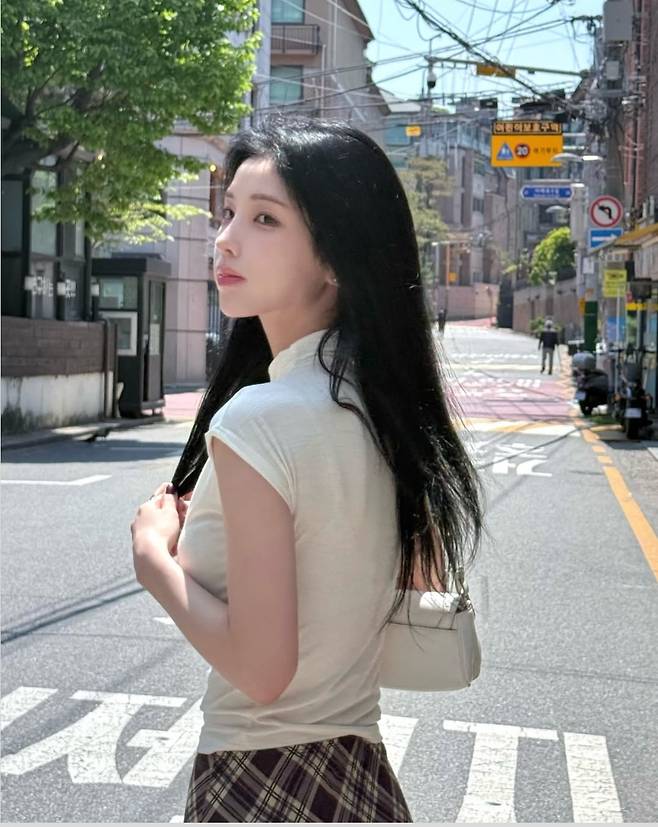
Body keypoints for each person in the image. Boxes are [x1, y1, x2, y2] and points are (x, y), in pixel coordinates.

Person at [130, 117, 484, 823]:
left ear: (336, 258)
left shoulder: (260, 418)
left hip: (260, 781)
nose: (227, 238)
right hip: (362, 781)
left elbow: (262, 672)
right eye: (229, 211)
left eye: (265, 219)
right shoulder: (381, 409)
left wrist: (152, 558)